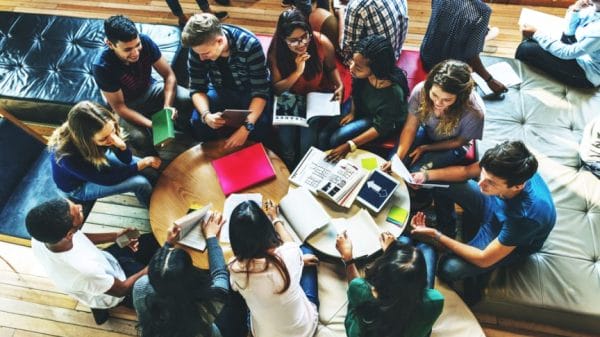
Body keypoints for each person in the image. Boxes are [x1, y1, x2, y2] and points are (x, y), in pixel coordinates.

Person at [409, 141, 556, 297]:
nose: (480, 183)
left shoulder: (527, 217)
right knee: (437, 180)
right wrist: (424, 176)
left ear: (517, 186)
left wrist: (437, 236)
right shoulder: (502, 164)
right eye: (483, 175)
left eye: (490, 182)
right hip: (492, 203)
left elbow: (484, 259)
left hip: (506, 233)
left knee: (449, 268)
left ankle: (448, 238)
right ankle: (448, 227)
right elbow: (466, 171)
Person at [25, 198, 159, 325]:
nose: (80, 207)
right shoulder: (85, 270)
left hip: (104, 266)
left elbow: (80, 237)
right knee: (164, 276)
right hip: (116, 288)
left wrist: (115, 236)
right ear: (69, 235)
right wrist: (152, 266)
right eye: (78, 211)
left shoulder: (41, 238)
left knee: (148, 240)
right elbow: (121, 290)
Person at [92, 15, 193, 156]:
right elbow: (120, 108)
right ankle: (154, 161)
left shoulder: (145, 41)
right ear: (110, 44)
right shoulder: (102, 66)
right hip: (128, 105)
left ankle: (189, 133)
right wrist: (153, 124)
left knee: (187, 98)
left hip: (150, 89)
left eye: (137, 45)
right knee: (138, 138)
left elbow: (169, 75)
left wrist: (167, 107)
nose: (135, 53)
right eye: (127, 50)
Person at [133, 213, 247, 337]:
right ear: (190, 275)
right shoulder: (209, 301)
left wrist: (168, 244)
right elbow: (220, 274)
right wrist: (211, 236)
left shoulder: (141, 287)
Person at [228, 200, 320, 337]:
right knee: (306, 249)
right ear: (267, 231)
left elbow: (234, 286)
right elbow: (291, 244)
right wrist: (275, 218)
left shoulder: (235, 268)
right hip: (305, 331)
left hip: (263, 333)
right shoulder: (286, 256)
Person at [268, 8, 344, 168]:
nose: (301, 44)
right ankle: (288, 167)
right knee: (286, 140)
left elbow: (331, 68)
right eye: (293, 40)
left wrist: (340, 84)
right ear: (283, 39)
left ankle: (304, 169)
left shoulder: (321, 42)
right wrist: (298, 71)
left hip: (314, 96)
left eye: (304, 36)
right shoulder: (276, 52)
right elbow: (277, 89)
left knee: (307, 141)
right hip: (290, 97)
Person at [182, 14, 271, 148]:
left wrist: (246, 127)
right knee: (197, 121)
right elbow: (196, 87)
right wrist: (207, 116)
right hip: (218, 89)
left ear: (220, 41)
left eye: (206, 53)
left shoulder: (250, 45)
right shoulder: (199, 48)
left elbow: (261, 91)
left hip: (248, 90)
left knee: (262, 124)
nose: (201, 58)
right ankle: (214, 155)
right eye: (198, 53)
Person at [48, 101, 159, 207]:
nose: (113, 138)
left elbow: (127, 160)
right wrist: (141, 164)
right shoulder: (67, 157)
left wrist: (122, 147)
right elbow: (107, 179)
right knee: (141, 183)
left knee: (143, 167)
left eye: (112, 130)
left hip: (93, 160)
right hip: (78, 187)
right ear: (86, 141)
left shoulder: (97, 128)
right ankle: (151, 207)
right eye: (104, 138)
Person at [319, 35, 409, 162]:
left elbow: (380, 128)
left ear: (376, 69)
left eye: (358, 67)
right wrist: (352, 112)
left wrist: (349, 145)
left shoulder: (393, 93)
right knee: (323, 135)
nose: (351, 68)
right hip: (362, 107)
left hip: (380, 120)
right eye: (353, 62)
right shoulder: (360, 74)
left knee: (336, 138)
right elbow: (355, 92)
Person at [335, 232, 444, 337]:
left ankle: (406, 240)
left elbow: (358, 287)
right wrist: (392, 253)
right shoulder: (435, 301)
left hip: (364, 331)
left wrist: (348, 258)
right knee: (427, 249)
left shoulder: (360, 290)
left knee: (405, 240)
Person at [391, 60, 485, 173]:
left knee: (416, 173)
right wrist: (397, 159)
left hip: (453, 146)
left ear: (460, 98)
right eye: (434, 95)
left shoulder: (474, 112)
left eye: (447, 100)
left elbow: (459, 142)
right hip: (427, 131)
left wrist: (426, 148)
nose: (438, 103)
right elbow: (410, 127)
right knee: (393, 164)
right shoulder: (421, 90)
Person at [419, 0, 508, 98]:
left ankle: (481, 36)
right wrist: (490, 80)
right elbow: (472, 57)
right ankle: (481, 38)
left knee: (489, 31)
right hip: (450, 70)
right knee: (494, 31)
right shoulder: (483, 12)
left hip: (427, 56)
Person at [516, 0, 600, 89]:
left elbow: (568, 53)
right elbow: (568, 34)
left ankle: (517, 82)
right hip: (584, 54)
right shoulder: (593, 8)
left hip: (591, 75)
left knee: (526, 48)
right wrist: (576, 10)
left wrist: (536, 34)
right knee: (531, 42)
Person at [340, 0, 408, 64]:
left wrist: (340, 13)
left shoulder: (356, 6)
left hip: (375, 68)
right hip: (396, 52)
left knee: (332, 21)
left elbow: (348, 55)